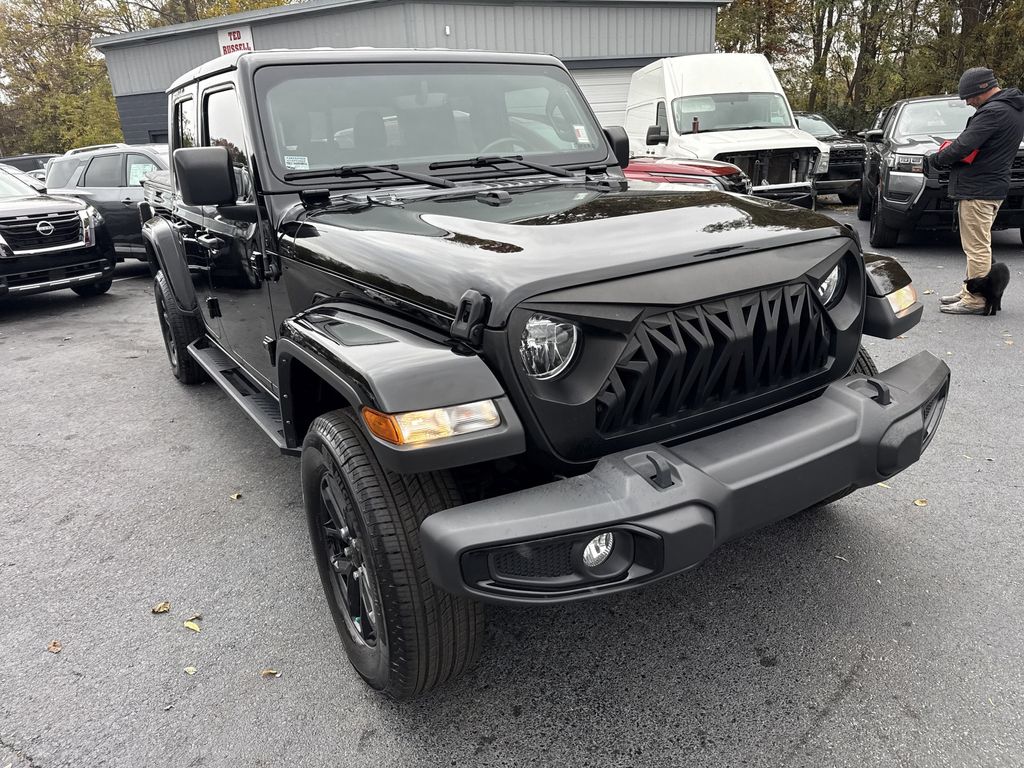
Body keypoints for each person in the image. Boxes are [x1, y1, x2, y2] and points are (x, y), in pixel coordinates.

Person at [931, 67, 1024, 315]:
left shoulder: (993, 112)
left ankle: (974, 299)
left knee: (977, 248)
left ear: (983, 88)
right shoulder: (1012, 109)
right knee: (978, 245)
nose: (968, 102)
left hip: (978, 189)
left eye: (970, 96)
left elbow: (964, 145)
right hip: (992, 186)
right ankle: (969, 290)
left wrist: (937, 159)